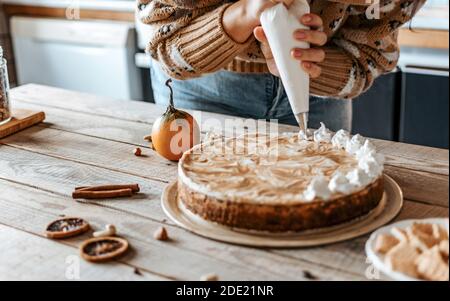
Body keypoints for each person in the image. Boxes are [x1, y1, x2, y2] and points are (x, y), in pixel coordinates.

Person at [137, 0, 425, 131]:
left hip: (323, 99)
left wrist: (309, 66)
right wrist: (244, 14)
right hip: (202, 91)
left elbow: (368, 58)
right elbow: (165, 44)